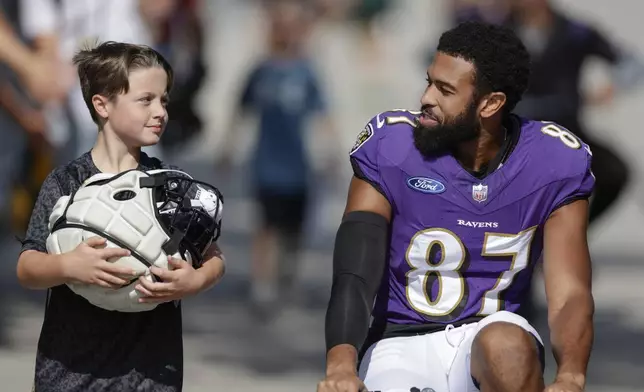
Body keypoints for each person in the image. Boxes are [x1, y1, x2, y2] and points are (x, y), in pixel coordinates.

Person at [319, 22, 594, 392]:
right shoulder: (393, 146)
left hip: (491, 338)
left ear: (490, 103)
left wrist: (571, 377)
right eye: (429, 81)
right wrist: (340, 364)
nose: (426, 97)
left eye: (445, 90)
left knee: (507, 348)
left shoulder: (553, 160)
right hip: (399, 340)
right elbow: (355, 271)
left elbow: (570, 293)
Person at [16, 41, 226, 391]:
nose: (160, 111)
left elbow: (214, 257)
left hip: (152, 374)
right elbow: (27, 267)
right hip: (69, 374)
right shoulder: (66, 181)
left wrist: (196, 281)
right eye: (145, 100)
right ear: (103, 104)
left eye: (164, 100)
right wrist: (69, 266)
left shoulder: (172, 185)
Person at [219, 0, 337, 318]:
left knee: (293, 228)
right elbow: (241, 109)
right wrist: (228, 148)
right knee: (266, 225)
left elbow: (323, 115)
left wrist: (331, 153)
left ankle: (289, 275)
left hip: (298, 165)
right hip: (267, 163)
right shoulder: (261, 70)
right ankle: (263, 283)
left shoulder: (307, 72)